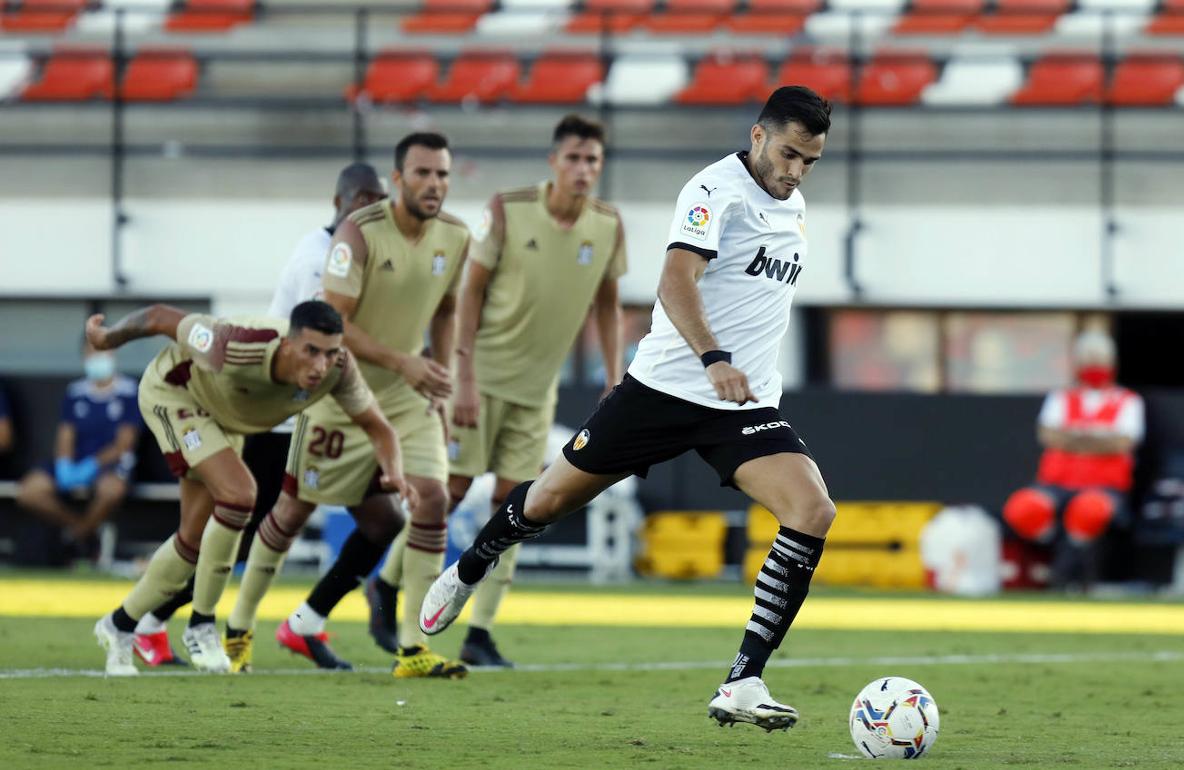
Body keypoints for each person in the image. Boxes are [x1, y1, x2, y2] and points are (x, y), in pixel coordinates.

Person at [420, 86, 837, 731]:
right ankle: (473, 562)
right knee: (548, 501)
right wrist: (713, 359)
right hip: (667, 388)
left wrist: (733, 374)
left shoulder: (794, 204)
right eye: (789, 154)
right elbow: (675, 281)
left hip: (741, 405)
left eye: (809, 161)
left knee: (812, 510)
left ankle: (743, 680)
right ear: (758, 135)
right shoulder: (712, 191)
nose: (796, 171)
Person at [365, 115, 627, 668]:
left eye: (593, 162)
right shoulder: (507, 210)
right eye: (575, 159)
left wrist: (612, 375)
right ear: (554, 161)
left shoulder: (608, 225)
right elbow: (469, 293)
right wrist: (462, 375)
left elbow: (607, 303)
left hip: (538, 392)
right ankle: (386, 585)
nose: (584, 170)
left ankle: (479, 632)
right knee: (452, 493)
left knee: (520, 508)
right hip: (481, 382)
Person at [224, 132, 472, 679]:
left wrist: (444, 374)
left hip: (407, 398)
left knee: (432, 499)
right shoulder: (357, 234)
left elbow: (448, 309)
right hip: (341, 390)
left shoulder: (456, 236)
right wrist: (403, 361)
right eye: (424, 173)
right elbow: (334, 325)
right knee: (292, 513)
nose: (435, 184)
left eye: (443, 175)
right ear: (398, 178)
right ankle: (238, 626)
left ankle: (413, 646)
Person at [130, 162, 387, 669]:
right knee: (238, 529)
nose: (373, 213)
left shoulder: (356, 252)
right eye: (365, 201)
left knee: (377, 519)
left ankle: (295, 623)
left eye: (379, 204)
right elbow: (339, 336)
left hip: (319, 408)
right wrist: (407, 362)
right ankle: (155, 621)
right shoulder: (323, 260)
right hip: (282, 413)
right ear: (342, 202)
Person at [87, 300, 411, 676]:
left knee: (191, 540)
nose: (320, 364)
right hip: (175, 395)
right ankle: (202, 625)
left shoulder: (338, 370)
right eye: (311, 351)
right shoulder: (237, 344)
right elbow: (159, 317)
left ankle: (120, 624)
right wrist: (108, 338)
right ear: (288, 344)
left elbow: (379, 428)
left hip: (223, 420)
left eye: (330, 352)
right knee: (240, 495)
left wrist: (395, 474)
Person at [1002, 330, 1144, 591]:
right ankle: (1055, 548)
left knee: (1088, 509)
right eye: (1087, 358)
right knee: (1023, 508)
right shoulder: (1061, 397)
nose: (1093, 364)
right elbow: (1049, 436)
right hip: (1056, 484)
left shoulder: (1127, 401)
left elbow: (1124, 442)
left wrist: (1074, 439)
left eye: (1098, 358)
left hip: (1104, 487)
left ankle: (1069, 573)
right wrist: (1098, 440)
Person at [15, 340, 140, 558]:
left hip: (110, 464)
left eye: (102, 352)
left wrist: (91, 465)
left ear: (113, 354)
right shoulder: (76, 392)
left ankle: (77, 537)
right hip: (75, 462)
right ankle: (82, 529)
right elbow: (65, 436)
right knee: (29, 491)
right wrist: (65, 464)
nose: (97, 358)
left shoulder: (129, 391)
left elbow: (124, 444)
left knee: (111, 491)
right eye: (91, 353)